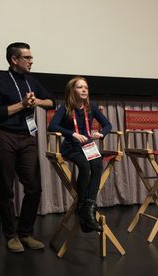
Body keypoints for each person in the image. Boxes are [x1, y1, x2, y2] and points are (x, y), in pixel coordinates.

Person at [0, 42, 56, 253]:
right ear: (14, 59)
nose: (31, 61)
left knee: (34, 188)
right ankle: (11, 235)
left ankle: (26, 233)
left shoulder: (31, 80)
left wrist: (37, 102)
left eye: (31, 57)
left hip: (27, 138)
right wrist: (22, 105)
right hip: (3, 136)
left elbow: (52, 102)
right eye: (27, 58)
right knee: (6, 189)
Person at [48, 76, 112, 232]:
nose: (84, 90)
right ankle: (83, 207)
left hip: (88, 146)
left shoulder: (91, 107)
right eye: (80, 87)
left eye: (86, 87)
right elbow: (52, 126)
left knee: (97, 165)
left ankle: (87, 209)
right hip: (71, 147)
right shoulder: (65, 108)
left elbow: (108, 124)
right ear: (72, 90)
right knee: (84, 166)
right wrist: (72, 134)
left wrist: (101, 133)